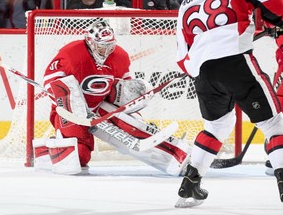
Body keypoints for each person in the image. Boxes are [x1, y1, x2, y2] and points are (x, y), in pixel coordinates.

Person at [175, 0, 283, 207]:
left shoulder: (184, 5)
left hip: (205, 74)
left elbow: (183, 61)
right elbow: (276, 0)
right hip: (237, 62)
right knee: (274, 124)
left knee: (215, 127)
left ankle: (189, 185)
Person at [40, 20, 191, 175]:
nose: (106, 51)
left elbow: (126, 93)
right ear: (90, 42)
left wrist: (134, 117)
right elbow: (49, 81)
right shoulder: (72, 53)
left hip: (101, 106)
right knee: (80, 157)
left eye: (110, 46)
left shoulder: (120, 56)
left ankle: (173, 156)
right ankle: (47, 148)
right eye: (102, 47)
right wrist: (70, 107)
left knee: (135, 101)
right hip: (71, 111)